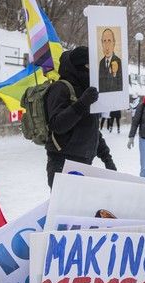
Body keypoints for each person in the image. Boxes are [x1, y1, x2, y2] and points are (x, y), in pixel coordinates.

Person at [44, 45, 116, 187]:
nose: (92, 72)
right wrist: (83, 103)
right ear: (78, 67)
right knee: (64, 208)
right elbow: (57, 125)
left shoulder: (87, 90)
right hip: (62, 162)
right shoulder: (60, 88)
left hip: (85, 162)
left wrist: (107, 158)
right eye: (89, 66)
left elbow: (92, 129)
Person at [97, 28, 123, 94]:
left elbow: (120, 84)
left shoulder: (119, 62)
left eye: (109, 40)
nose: (106, 44)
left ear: (114, 43)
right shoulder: (101, 62)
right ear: (102, 43)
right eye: (104, 41)